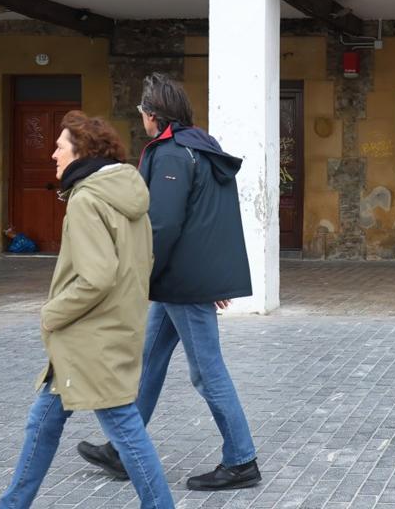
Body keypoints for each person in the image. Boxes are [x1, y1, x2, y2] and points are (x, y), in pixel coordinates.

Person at [77, 73, 260, 491]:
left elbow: (162, 224)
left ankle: (241, 459)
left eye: (142, 112)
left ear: (152, 115)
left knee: (207, 372)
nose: (141, 118)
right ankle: (123, 449)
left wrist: (132, 275)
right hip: (183, 281)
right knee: (148, 358)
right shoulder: (199, 147)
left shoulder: (174, 154)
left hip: (181, 283)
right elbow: (214, 221)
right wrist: (214, 279)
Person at [0, 112, 173, 509]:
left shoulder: (87, 200)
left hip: (90, 339)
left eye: (60, 147)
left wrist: (52, 313)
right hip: (105, 333)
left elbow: (96, 277)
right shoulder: (127, 195)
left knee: (125, 430)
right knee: (43, 424)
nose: (53, 156)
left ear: (81, 152)